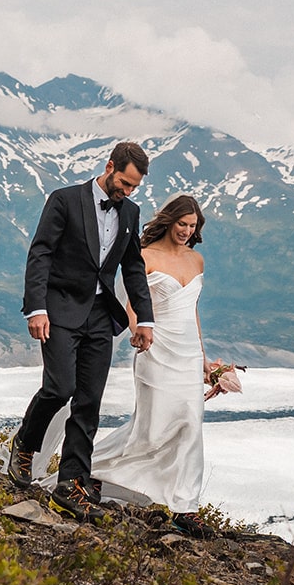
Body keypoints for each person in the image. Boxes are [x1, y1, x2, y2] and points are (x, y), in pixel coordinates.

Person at [2, 141, 155, 523]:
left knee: (89, 402)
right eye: (124, 182)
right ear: (109, 166)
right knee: (60, 388)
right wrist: (36, 308)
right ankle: (25, 444)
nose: (127, 192)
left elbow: (133, 267)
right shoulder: (64, 200)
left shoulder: (131, 213)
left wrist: (146, 319)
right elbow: (41, 253)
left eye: (134, 187)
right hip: (59, 311)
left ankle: (71, 483)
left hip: (102, 316)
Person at [79, 193, 222, 538]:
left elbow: (193, 313)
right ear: (169, 222)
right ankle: (93, 472)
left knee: (190, 424)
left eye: (192, 226)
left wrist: (204, 360)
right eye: (182, 224)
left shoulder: (197, 260)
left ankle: (186, 508)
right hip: (155, 347)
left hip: (187, 352)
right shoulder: (144, 257)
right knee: (151, 427)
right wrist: (137, 333)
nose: (187, 231)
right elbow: (131, 304)